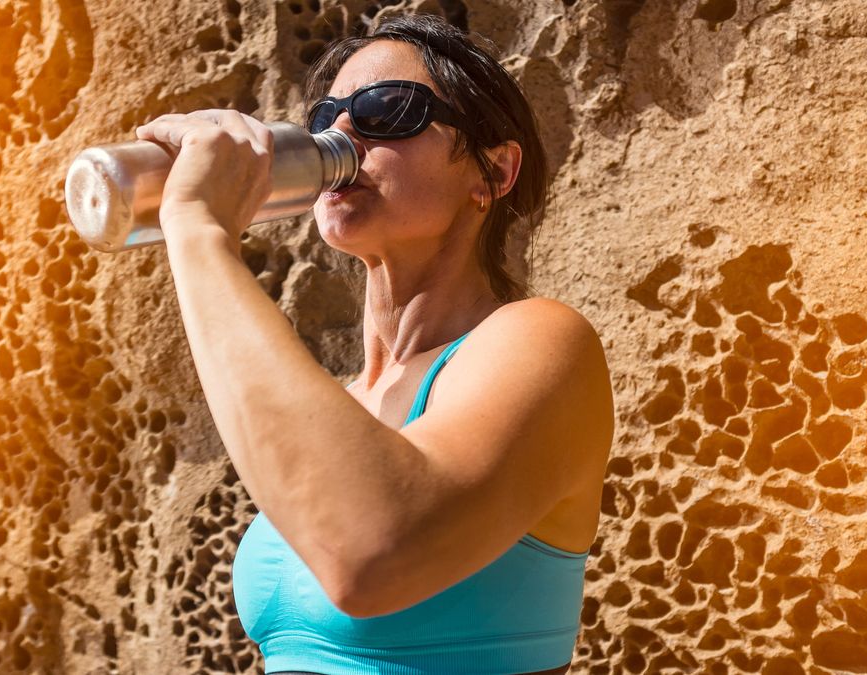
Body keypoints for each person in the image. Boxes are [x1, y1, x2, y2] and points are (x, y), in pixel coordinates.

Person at [135, 13, 614, 675]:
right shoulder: (340, 407)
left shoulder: (542, 342)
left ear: (494, 171)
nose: (342, 134)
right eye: (326, 115)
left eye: (388, 110)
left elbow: (370, 555)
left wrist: (198, 230)